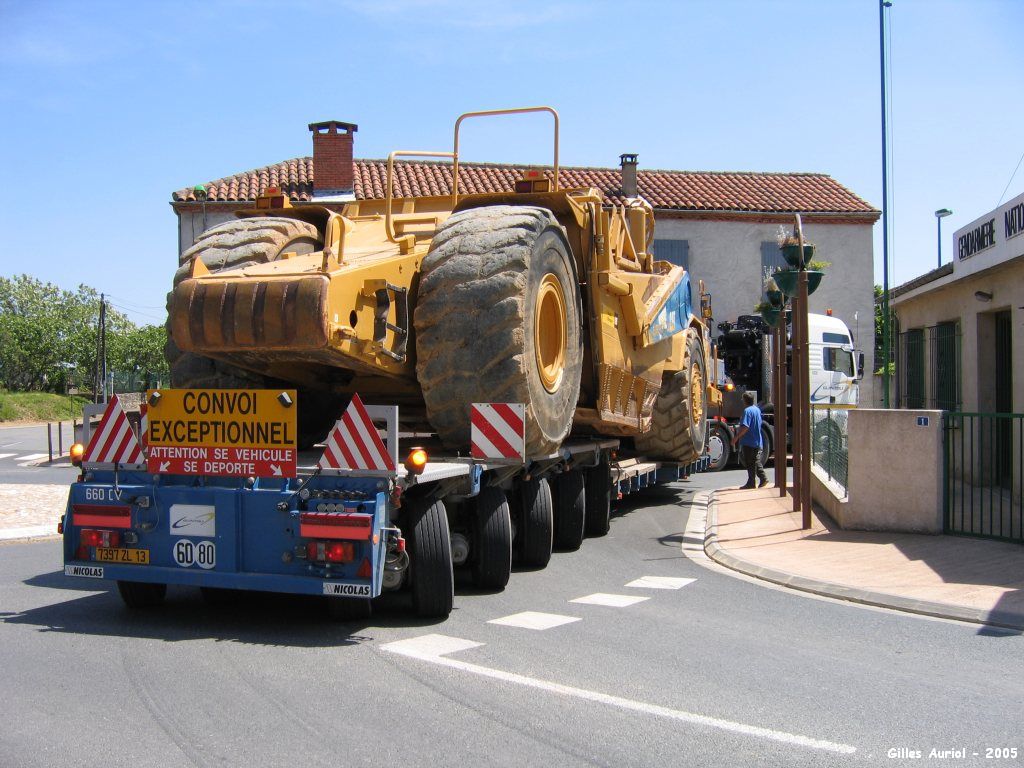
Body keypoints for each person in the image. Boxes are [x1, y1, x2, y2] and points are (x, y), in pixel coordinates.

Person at [731, 391, 768, 489]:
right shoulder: (757, 410)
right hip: (757, 440)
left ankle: (753, 482)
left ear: (745, 400)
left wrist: (736, 438)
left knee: (750, 462)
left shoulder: (747, 411)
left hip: (749, 440)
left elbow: (745, 427)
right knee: (754, 460)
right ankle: (761, 479)